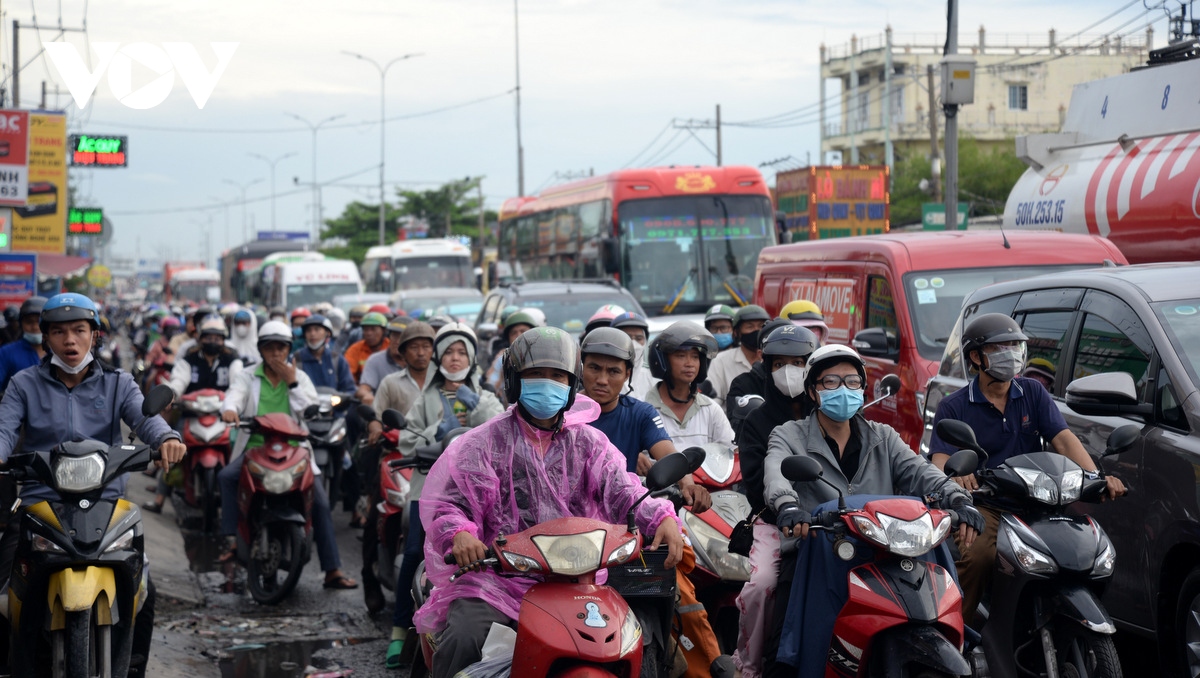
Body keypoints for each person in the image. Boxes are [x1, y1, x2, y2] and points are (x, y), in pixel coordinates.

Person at [413, 326, 685, 678]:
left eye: (557, 376)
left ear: (572, 385)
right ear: (515, 380)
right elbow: (451, 504)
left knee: (635, 642)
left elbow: (624, 491)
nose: (547, 383)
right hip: (497, 578)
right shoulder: (482, 443)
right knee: (464, 637)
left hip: (580, 577)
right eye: (535, 375)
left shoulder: (589, 442)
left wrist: (660, 516)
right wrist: (460, 534)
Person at [763, 343, 983, 676]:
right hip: (824, 548)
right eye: (831, 382)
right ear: (812, 390)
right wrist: (788, 505)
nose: (844, 390)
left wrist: (957, 499)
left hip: (888, 550)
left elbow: (922, 473)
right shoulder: (789, 434)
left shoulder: (884, 436)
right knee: (784, 637)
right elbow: (777, 472)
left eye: (852, 382)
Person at [0, 293, 187, 677]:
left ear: (95, 336)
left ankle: (132, 670)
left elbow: (145, 419)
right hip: (40, 505)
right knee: (4, 589)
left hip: (107, 506)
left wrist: (166, 438)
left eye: (79, 331)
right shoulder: (23, 384)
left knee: (144, 592)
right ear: (46, 338)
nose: (70, 341)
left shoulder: (119, 383)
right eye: (59, 332)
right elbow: (5, 429)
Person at [928, 313, 1125, 628]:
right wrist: (955, 475)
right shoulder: (955, 406)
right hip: (988, 506)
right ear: (976, 357)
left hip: (1040, 502)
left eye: (1014, 345)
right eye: (999, 347)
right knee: (979, 558)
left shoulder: (1032, 391)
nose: (1010, 353)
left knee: (1084, 554)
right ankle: (952, 638)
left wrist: (1097, 479)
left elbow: (1064, 441)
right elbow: (940, 461)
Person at [387, 322, 504, 669]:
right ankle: (398, 630)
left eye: (461, 352)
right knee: (413, 551)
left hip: (479, 490)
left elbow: (498, 428)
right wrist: (433, 435)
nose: (455, 359)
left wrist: (477, 409)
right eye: (449, 352)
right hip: (431, 487)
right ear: (440, 357)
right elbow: (407, 439)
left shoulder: (484, 396)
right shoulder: (426, 397)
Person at [216, 321, 358, 590]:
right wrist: (230, 410)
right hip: (254, 449)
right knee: (226, 477)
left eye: (281, 347)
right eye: (270, 348)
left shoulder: (300, 378)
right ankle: (233, 540)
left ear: (289, 350)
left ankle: (332, 569)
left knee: (322, 504)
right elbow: (234, 396)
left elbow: (310, 411)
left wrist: (292, 384)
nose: (275, 353)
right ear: (261, 350)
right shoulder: (247, 376)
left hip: (296, 453)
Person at [730, 323, 817, 678]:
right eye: (779, 364)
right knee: (762, 585)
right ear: (767, 368)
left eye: (798, 362)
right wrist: (787, 505)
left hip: (830, 521)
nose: (789, 372)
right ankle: (748, 665)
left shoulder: (829, 415)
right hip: (773, 521)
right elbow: (754, 485)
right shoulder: (758, 421)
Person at [144, 317, 244, 513]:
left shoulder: (232, 360)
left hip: (222, 416)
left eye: (218, 338)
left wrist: (234, 405)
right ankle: (159, 499)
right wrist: (170, 396)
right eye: (209, 337)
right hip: (191, 414)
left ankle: (239, 504)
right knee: (173, 448)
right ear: (201, 338)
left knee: (238, 452)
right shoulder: (189, 359)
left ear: (224, 340)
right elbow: (178, 381)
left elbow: (237, 385)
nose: (213, 341)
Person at [644, 321, 736, 451]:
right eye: (681, 356)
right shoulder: (643, 410)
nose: (690, 363)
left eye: (695, 357)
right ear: (662, 360)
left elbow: (732, 453)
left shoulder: (711, 409)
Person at [369, 321, 437, 444]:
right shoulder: (390, 383)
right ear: (404, 353)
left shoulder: (444, 382)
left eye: (426, 346)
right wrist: (377, 430)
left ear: (433, 351)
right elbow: (376, 417)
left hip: (439, 450)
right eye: (414, 347)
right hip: (400, 451)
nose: (421, 353)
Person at [726, 317, 792, 433]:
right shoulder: (743, 384)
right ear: (761, 355)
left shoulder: (807, 384)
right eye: (779, 362)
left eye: (797, 361)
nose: (786, 367)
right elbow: (738, 429)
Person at [707, 305, 770, 408]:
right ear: (736, 332)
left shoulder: (774, 359)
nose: (757, 331)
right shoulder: (721, 361)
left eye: (761, 326)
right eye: (750, 327)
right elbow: (713, 401)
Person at [483, 309, 542, 401]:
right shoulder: (503, 359)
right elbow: (491, 385)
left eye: (523, 331)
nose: (519, 335)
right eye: (513, 333)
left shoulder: (545, 356)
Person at [294, 314, 355, 394]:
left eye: (317, 329)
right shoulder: (296, 359)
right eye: (308, 330)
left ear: (328, 333)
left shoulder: (337, 359)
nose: (312, 334)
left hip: (333, 405)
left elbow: (349, 389)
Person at [358, 316, 411, 404]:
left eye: (402, 337)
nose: (397, 341)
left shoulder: (420, 362)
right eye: (394, 336)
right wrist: (366, 395)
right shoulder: (375, 360)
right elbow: (364, 388)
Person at [0, 296, 46, 394]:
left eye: (39, 322)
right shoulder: (6, 352)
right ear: (21, 324)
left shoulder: (60, 352)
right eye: (29, 322)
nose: (35, 327)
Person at [610, 311, 654, 400]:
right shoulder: (603, 374)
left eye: (639, 338)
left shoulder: (652, 376)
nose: (633, 343)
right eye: (627, 337)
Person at [345, 311, 389, 383]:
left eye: (373, 329)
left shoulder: (390, 347)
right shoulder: (355, 349)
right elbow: (348, 376)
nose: (369, 333)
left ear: (384, 331)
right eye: (366, 329)